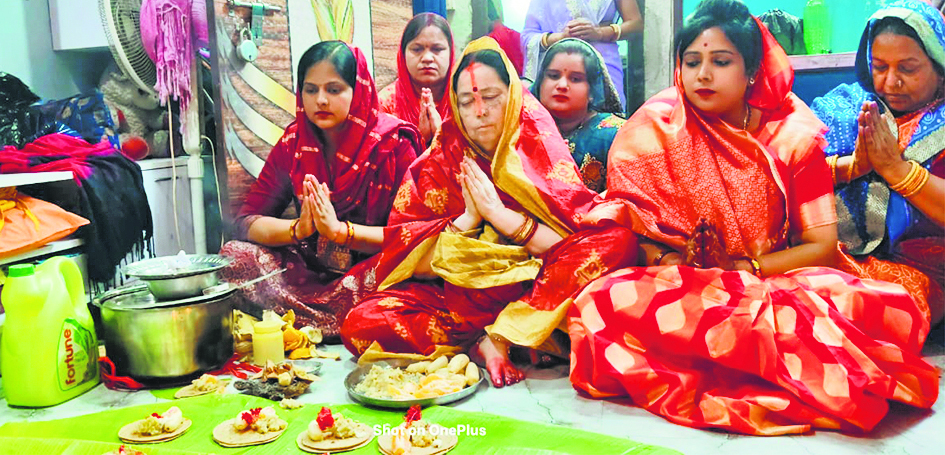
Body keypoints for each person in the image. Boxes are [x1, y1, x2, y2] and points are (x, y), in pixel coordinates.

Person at [570, 0, 938, 435]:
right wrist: (672, 260)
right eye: (692, 62)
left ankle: (726, 355)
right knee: (602, 298)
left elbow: (821, 246)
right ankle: (738, 354)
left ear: (751, 72)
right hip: (688, 280)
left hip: (778, 276)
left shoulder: (792, 136)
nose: (703, 75)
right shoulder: (653, 130)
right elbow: (639, 223)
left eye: (721, 61)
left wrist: (743, 268)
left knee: (827, 312)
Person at [341, 37, 637, 388]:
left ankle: (505, 334)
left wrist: (500, 216)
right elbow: (412, 264)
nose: (479, 111)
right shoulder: (441, 160)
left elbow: (569, 241)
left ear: (512, 97)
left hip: (533, 289)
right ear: (455, 106)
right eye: (467, 102)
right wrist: (468, 219)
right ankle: (503, 340)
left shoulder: (537, 145)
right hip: (458, 298)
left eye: (491, 97)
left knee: (618, 241)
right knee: (361, 323)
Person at [220, 41, 422, 337]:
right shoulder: (294, 144)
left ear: (359, 90)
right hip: (310, 271)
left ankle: (319, 322)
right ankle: (337, 323)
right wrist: (297, 229)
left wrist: (341, 232)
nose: (321, 100)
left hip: (370, 271)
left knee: (409, 273)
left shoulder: (394, 146)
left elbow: (413, 237)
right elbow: (247, 221)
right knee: (235, 256)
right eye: (311, 90)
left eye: (334, 89)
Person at [811, 0, 945, 326]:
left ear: (940, 67)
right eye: (880, 67)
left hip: (921, 274)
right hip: (832, 256)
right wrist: (851, 167)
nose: (890, 82)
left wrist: (898, 172)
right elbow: (785, 174)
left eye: (908, 69)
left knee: (844, 315)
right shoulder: (843, 106)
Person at [532, 38, 625, 192]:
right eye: (553, 76)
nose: (562, 85)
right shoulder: (522, 129)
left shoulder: (615, 135)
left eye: (575, 79)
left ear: (592, 91)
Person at [521, 0, 643, 109]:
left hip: (604, 64)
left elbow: (636, 24)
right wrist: (561, 37)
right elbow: (528, 35)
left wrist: (600, 33)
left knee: (606, 118)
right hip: (558, 65)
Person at [379, 13, 455, 146]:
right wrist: (418, 140)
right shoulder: (385, 104)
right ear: (403, 54)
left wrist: (441, 138)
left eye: (437, 49)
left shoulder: (464, 100)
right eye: (417, 49)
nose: (427, 58)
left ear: (451, 53)